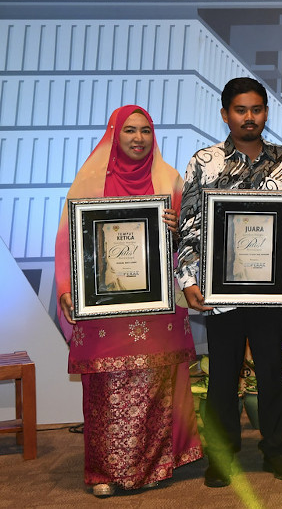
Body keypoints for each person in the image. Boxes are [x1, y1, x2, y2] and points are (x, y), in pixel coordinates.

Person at [55, 105, 202, 497]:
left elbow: (191, 240)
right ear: (114, 134)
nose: (139, 138)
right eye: (130, 131)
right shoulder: (88, 182)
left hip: (157, 305)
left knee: (156, 382)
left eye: (146, 131)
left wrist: (176, 229)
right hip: (105, 307)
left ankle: (154, 466)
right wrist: (66, 287)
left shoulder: (169, 180)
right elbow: (68, 241)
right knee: (107, 385)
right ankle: (103, 471)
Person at [176, 77, 282, 487]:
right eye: (240, 110)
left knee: (272, 370)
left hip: (270, 288)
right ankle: (223, 457)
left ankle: (276, 451)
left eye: (256, 109)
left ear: (265, 113)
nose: (249, 117)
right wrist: (187, 280)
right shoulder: (204, 162)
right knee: (223, 373)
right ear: (225, 114)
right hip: (220, 290)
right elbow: (188, 225)